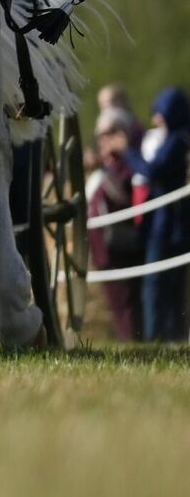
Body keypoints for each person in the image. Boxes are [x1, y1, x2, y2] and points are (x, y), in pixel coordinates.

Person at [131, 87, 189, 341]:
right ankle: (171, 334)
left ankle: (156, 335)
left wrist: (128, 153)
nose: (156, 120)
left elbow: (153, 171)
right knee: (172, 286)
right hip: (173, 221)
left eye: (160, 113)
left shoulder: (178, 140)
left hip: (168, 223)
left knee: (157, 284)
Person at [87, 106, 145, 340]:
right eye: (100, 135)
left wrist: (106, 163)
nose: (103, 140)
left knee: (128, 305)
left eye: (108, 133)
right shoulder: (109, 164)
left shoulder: (129, 161)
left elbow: (122, 192)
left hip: (122, 245)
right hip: (105, 249)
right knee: (119, 305)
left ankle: (136, 343)